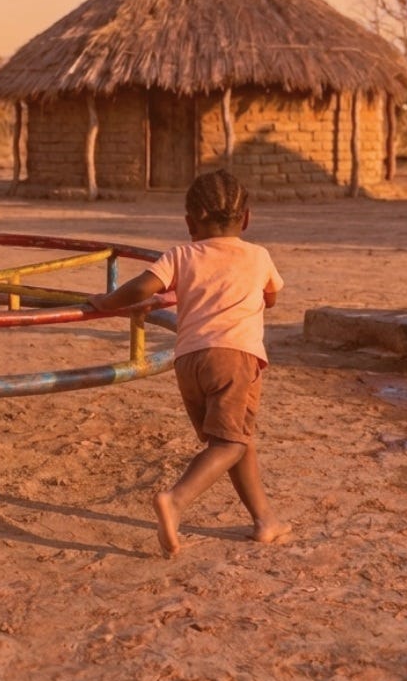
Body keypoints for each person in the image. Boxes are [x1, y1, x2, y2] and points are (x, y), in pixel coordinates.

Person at [88, 169, 290, 557]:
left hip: (190, 362)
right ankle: (176, 500)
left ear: (189, 223)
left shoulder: (180, 255)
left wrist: (107, 301)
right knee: (231, 441)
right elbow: (272, 297)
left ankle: (265, 519)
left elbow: (142, 287)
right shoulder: (259, 256)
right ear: (246, 219)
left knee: (232, 439)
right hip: (235, 358)